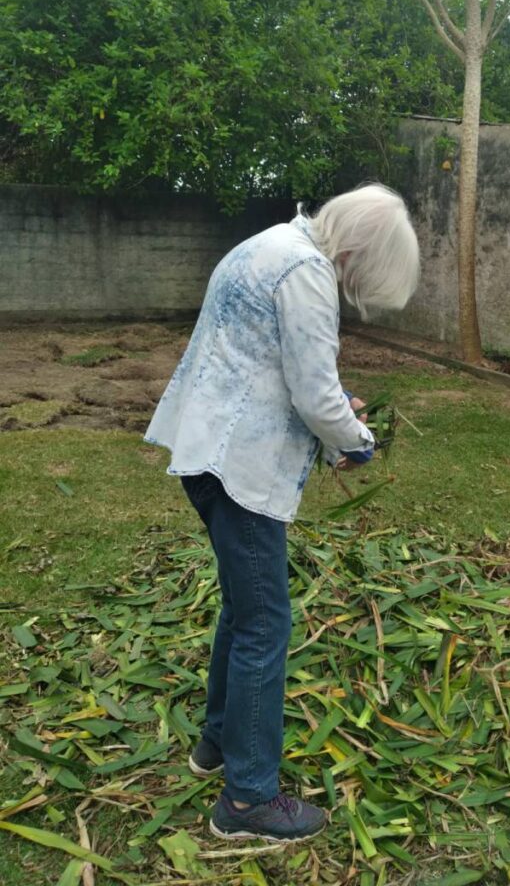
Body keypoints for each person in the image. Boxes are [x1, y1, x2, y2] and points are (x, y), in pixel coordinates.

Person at [144, 183, 420, 843]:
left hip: (205, 448)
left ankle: (216, 745)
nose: (354, 286)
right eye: (362, 275)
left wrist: (334, 406)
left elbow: (278, 362)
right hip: (239, 464)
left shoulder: (269, 245)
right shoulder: (307, 274)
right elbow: (316, 396)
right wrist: (358, 443)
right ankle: (247, 801)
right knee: (267, 623)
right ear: (355, 250)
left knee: (243, 613)